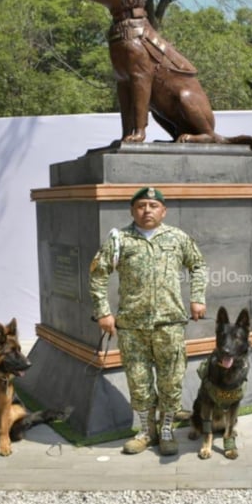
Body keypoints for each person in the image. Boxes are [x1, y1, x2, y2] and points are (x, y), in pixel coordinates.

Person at [89, 186, 207, 456]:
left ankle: (166, 429)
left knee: (171, 380)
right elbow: (98, 274)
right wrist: (104, 312)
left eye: (153, 206)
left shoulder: (177, 237)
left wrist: (197, 297)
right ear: (132, 210)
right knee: (138, 381)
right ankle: (146, 431)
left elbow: (198, 264)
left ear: (163, 211)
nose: (147, 211)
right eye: (141, 206)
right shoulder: (120, 240)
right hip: (132, 326)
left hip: (170, 324)